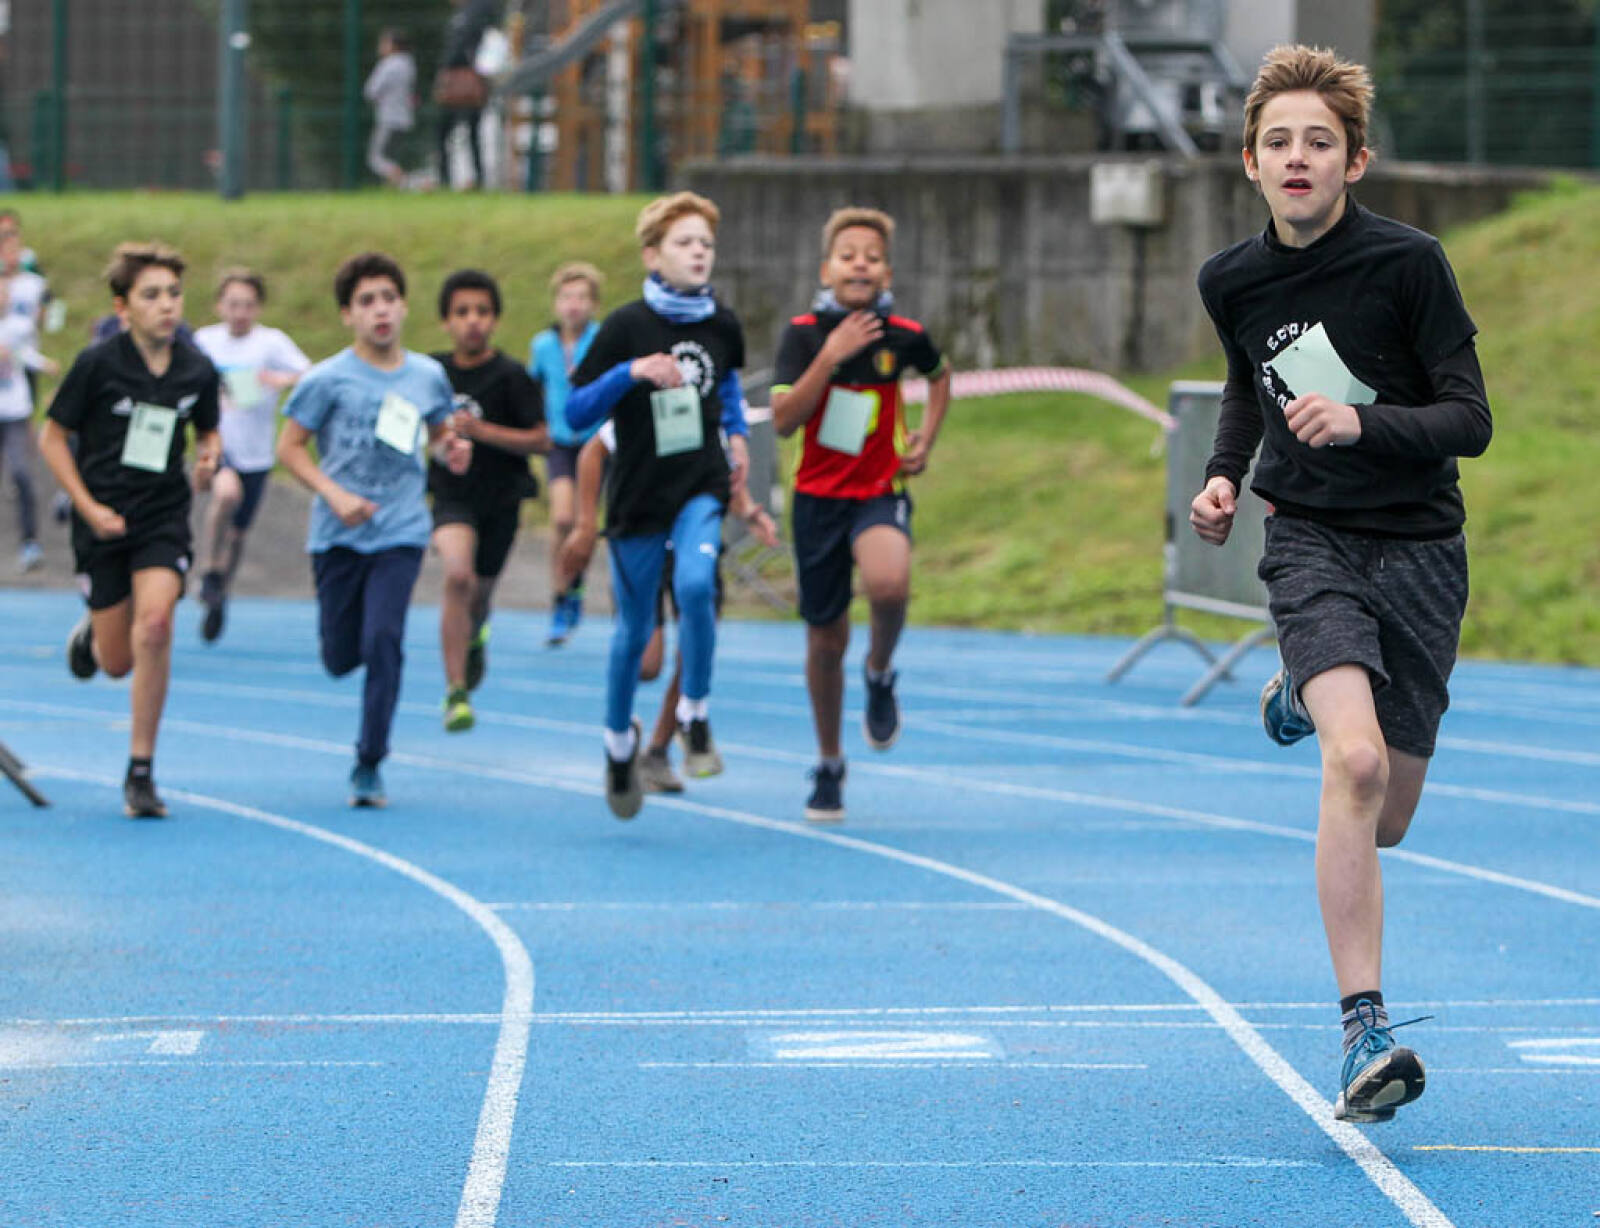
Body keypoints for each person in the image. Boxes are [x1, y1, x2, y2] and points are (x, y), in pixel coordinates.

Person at [1188, 45, 1492, 1124]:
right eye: (1277, 141)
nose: (1297, 157)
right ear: (1249, 162)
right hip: (1309, 537)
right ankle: (1364, 1027)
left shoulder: (1410, 264)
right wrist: (1225, 475)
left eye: (1319, 141)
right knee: (1351, 763)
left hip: (1419, 549)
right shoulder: (1230, 279)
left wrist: (1365, 423)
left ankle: (1297, 693)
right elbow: (1245, 383)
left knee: (1386, 815)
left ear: (1353, 161)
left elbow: (1471, 419)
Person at [566, 191, 750, 819]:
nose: (699, 252)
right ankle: (620, 746)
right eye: (684, 242)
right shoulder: (625, 327)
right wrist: (631, 373)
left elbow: (727, 386)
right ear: (652, 255)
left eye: (706, 243)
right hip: (639, 497)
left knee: (697, 586)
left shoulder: (723, 324)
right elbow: (574, 413)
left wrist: (738, 438)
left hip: (700, 486)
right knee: (633, 635)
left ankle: (695, 714)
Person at [770, 207, 951, 823]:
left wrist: (925, 437)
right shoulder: (801, 334)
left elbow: (941, 375)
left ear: (887, 273)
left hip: (878, 489)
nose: (860, 265)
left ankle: (879, 672)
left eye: (872, 257)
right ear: (826, 269)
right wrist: (831, 355)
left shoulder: (902, 333)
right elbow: (784, 420)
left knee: (889, 583)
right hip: (818, 498)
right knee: (825, 641)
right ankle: (829, 762)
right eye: (848, 255)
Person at [276, 252, 470, 807]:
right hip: (337, 535)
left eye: (388, 299)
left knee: (384, 639)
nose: (380, 310)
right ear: (347, 315)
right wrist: (334, 494)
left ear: (404, 307)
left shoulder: (427, 376)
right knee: (341, 656)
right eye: (366, 302)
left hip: (400, 528)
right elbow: (289, 447)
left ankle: (369, 759)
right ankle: (347, 655)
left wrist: (451, 451)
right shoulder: (326, 379)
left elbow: (439, 434)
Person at [37, 242, 222, 818]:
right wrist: (88, 507)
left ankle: (141, 771)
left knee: (157, 625)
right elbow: (52, 438)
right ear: (123, 307)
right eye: (151, 295)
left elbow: (208, 429)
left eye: (174, 294)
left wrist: (209, 457)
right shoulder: (97, 364)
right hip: (103, 520)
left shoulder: (196, 368)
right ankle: (92, 638)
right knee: (118, 661)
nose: (166, 305)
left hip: (162, 517)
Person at [561, 417, 777, 792]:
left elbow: (723, 467)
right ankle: (626, 729)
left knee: (692, 648)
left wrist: (748, 510)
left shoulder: (710, 405)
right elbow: (592, 452)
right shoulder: (641, 402)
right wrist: (585, 523)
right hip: (642, 533)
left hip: (693, 542)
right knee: (647, 665)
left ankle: (660, 748)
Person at [429, 269, 547, 732]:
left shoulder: (511, 376)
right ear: (446, 321)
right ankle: (456, 691)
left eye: (481, 311)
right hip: (451, 495)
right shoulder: (432, 373)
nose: (472, 320)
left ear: (495, 319)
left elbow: (543, 439)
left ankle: (476, 630)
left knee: (478, 592)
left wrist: (483, 432)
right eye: (462, 312)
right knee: (457, 576)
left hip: (501, 498)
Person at [192, 269, 311, 642]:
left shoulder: (270, 343)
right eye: (233, 304)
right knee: (226, 494)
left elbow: (311, 374)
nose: (240, 312)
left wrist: (280, 380)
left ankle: (220, 595)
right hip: (217, 443)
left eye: (247, 305)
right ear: (219, 306)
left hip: (256, 452)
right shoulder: (205, 341)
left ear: (258, 308)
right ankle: (210, 571)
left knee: (239, 533)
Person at [528, 261, 603, 645]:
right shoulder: (542, 345)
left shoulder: (602, 339)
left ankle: (576, 585)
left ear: (593, 304)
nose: (573, 305)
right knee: (561, 519)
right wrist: (537, 427)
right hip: (559, 443)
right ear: (556, 303)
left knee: (583, 522)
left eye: (581, 297)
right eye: (567, 297)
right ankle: (560, 594)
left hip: (594, 443)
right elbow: (532, 389)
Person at [0, 276, 59, 572]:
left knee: (22, 474)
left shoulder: (20, 326)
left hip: (15, 411)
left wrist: (46, 364)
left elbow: (27, 354)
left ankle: (30, 542)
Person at [435, 0, 498, 190]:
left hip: (466, 81)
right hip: (465, 80)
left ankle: (461, 179)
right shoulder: (463, 14)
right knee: (464, 133)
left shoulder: (474, 12)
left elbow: (462, 46)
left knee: (463, 132)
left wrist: (446, 68)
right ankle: (463, 178)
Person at [365, 28, 417, 187]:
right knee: (392, 156)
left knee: (376, 158)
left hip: (388, 117)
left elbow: (371, 91)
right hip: (405, 118)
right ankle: (396, 185)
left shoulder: (388, 65)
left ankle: (411, 182)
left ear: (393, 45)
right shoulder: (409, 64)